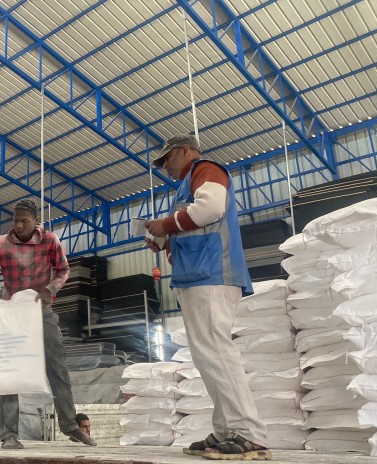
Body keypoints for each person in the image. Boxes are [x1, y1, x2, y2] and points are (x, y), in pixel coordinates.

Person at [145, 135, 271, 461]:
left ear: (186, 150)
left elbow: (211, 209)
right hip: (195, 275)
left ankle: (248, 432)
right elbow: (192, 227)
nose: (164, 166)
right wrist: (163, 238)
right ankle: (227, 430)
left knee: (216, 352)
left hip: (212, 273)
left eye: (167, 159)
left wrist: (165, 224)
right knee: (207, 358)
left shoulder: (206, 169)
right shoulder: (185, 187)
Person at [0, 198, 96, 449]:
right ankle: (9, 435)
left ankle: (70, 425)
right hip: (13, 314)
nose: (19, 225)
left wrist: (50, 289)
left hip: (41, 311)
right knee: (10, 373)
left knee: (57, 368)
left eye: (24, 221)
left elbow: (63, 270)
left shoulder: (50, 240)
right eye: (16, 220)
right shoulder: (1, 243)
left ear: (35, 221)